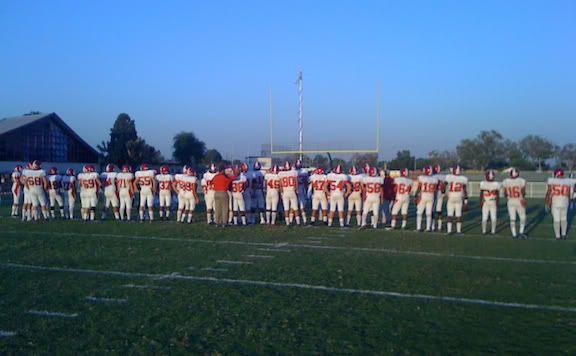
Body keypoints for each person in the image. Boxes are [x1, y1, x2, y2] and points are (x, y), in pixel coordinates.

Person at [545, 168, 573, 240]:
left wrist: (547, 203)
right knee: (564, 218)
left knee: (556, 219)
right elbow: (569, 193)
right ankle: (563, 234)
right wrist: (570, 202)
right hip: (565, 202)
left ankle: (557, 236)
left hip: (556, 202)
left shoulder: (552, 181)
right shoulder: (567, 181)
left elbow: (548, 193)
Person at [502, 168, 527, 239]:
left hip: (510, 201)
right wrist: (523, 198)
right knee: (523, 217)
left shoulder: (506, 181)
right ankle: (521, 233)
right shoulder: (521, 181)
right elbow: (523, 192)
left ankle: (514, 234)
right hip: (519, 200)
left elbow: (505, 194)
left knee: (512, 219)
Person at [444, 165, 468, 235]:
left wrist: (443, 193)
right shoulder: (463, 179)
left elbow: (443, 185)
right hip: (459, 198)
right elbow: (465, 190)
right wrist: (466, 201)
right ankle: (458, 231)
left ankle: (449, 231)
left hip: (451, 197)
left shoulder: (449, 177)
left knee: (449, 215)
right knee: (458, 215)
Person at [414, 166, 438, 232]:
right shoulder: (435, 179)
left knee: (419, 212)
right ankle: (428, 228)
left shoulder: (421, 178)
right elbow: (435, 189)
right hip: (431, 196)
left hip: (423, 195)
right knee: (429, 213)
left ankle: (418, 227)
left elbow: (419, 187)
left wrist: (416, 196)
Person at [279, 161, 300, 226]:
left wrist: (281, 193)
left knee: (286, 209)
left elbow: (280, 185)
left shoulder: (281, 174)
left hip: (285, 192)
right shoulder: (294, 172)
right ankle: (298, 222)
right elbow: (296, 182)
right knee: (295, 208)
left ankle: (287, 223)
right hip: (292, 191)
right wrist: (297, 191)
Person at [479, 169, 500, 235]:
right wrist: (481, 202)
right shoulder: (483, 183)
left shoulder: (496, 184)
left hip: (492, 201)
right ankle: (484, 231)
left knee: (493, 218)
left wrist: (497, 202)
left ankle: (493, 231)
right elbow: (481, 194)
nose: (491, 177)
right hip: (486, 202)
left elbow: (497, 194)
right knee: (484, 218)